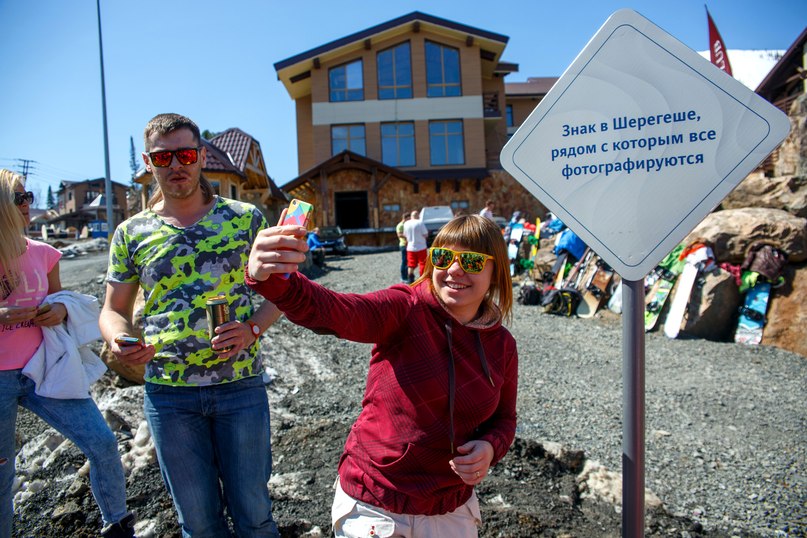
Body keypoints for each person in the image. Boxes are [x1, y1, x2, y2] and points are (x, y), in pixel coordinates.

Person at [245, 213, 518, 537]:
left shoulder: (501, 345)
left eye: (471, 261)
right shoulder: (406, 308)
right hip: (374, 500)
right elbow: (336, 311)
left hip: (450, 505)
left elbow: (505, 420)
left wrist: (489, 447)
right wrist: (272, 278)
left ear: (496, 272)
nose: (455, 270)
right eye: (444, 257)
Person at [98, 114, 282, 538]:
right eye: (164, 157)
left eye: (184, 154)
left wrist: (253, 328)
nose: (175, 165)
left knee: (255, 517)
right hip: (169, 397)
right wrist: (121, 339)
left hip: (239, 387)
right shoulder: (131, 233)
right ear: (149, 162)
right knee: (198, 525)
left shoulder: (245, 218)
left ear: (200, 156)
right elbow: (112, 310)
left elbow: (283, 292)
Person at [0, 170, 134, 538]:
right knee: (1, 473)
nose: (28, 205)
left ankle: (118, 526)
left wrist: (60, 311)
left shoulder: (45, 254)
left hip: (45, 370)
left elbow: (61, 300)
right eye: (18, 199)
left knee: (103, 442)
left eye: (28, 197)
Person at [403, 210, 428, 283]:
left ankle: (410, 279)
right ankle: (422, 279)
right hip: (421, 247)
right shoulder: (420, 222)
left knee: (411, 264)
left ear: (411, 216)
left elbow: (405, 235)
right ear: (417, 215)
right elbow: (425, 234)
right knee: (422, 263)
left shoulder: (406, 223)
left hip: (410, 247)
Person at [395, 212, 410, 283]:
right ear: (405, 218)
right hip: (403, 245)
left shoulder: (406, 225)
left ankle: (406, 276)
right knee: (404, 261)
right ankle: (403, 277)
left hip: (408, 245)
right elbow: (399, 234)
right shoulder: (400, 225)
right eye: (409, 219)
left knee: (407, 261)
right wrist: (408, 236)